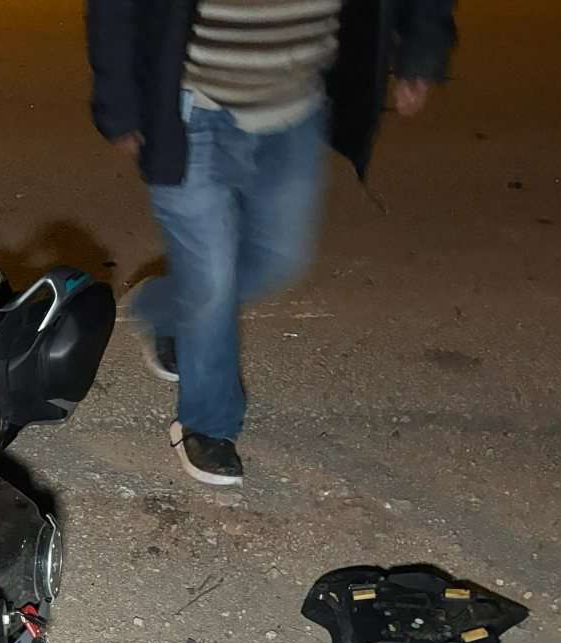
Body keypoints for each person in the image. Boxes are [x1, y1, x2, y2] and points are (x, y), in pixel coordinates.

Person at [86, 0, 458, 486]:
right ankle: (207, 424)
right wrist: (117, 99)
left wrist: (422, 48)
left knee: (275, 260)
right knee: (211, 281)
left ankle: (160, 305)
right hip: (189, 105)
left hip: (295, 107)